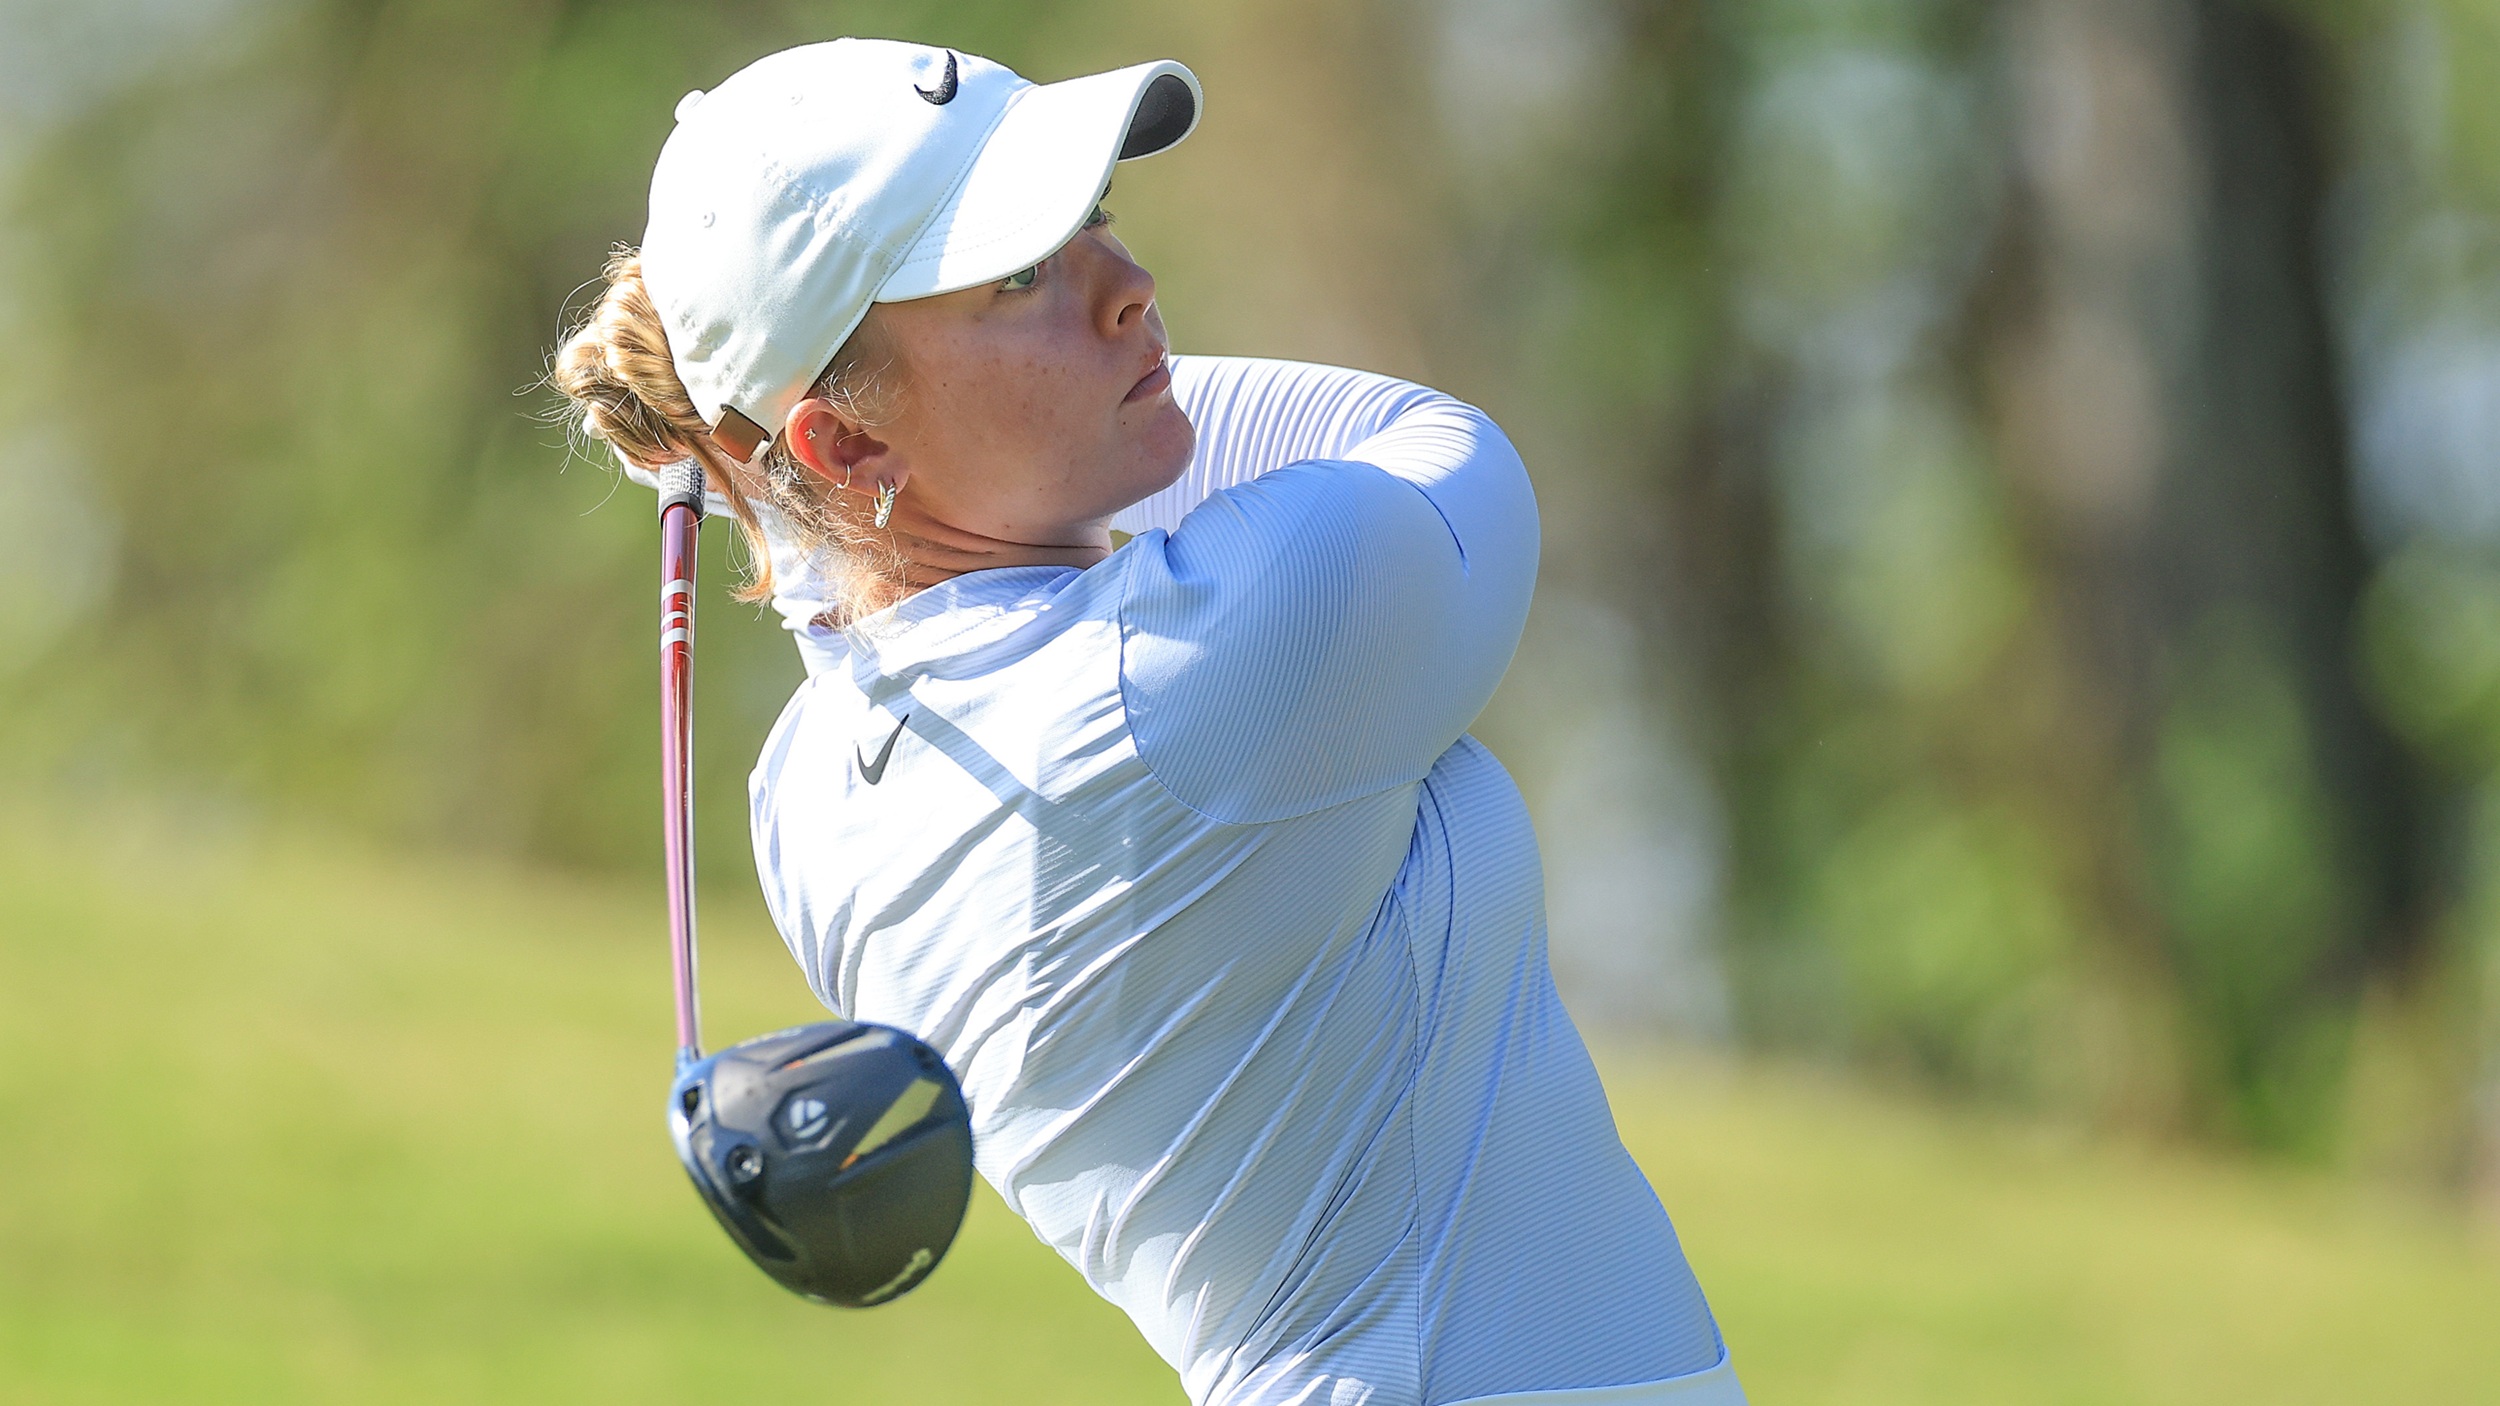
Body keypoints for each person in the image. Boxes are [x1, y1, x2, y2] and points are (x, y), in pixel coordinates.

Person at [552, 38, 1743, 1406]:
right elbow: (1441, 445)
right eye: (1019, 277)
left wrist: (761, 461)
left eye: (1092, 222)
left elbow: (939, 542)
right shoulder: (1213, 658)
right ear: (848, 444)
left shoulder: (809, 794)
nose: (1131, 291)